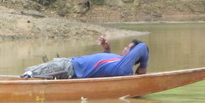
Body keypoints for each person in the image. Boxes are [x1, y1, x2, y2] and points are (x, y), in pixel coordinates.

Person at [21, 37, 149, 79]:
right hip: (69, 65)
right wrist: (107, 49)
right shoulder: (118, 62)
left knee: (29, 72)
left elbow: (143, 46)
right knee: (30, 74)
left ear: (133, 55)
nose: (124, 49)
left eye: (127, 48)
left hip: (68, 67)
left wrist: (143, 67)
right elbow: (104, 67)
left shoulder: (123, 68)